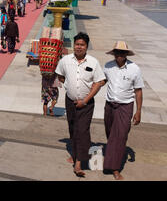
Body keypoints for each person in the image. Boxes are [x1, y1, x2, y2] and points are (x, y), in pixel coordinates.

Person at [55, 32, 106, 177]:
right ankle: (75, 153)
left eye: (82, 45)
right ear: (74, 45)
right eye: (77, 44)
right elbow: (60, 75)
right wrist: (69, 88)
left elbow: (98, 82)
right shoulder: (65, 60)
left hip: (87, 103)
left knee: (82, 131)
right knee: (72, 128)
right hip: (70, 101)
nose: (79, 47)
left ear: (86, 46)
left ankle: (78, 163)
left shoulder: (93, 62)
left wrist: (85, 100)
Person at [102, 41, 144, 180]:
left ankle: (115, 168)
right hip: (109, 106)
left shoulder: (134, 69)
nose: (119, 55)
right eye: (117, 53)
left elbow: (138, 91)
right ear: (114, 53)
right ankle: (113, 155)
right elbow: (101, 81)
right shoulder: (108, 66)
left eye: (122, 53)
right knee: (110, 134)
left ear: (126, 54)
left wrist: (138, 111)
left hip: (125, 107)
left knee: (120, 137)